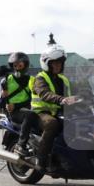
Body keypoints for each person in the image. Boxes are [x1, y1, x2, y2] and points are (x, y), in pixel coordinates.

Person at [30, 44, 78, 172]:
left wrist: (87, 94)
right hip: (41, 113)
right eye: (54, 63)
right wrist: (61, 99)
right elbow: (45, 93)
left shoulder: (63, 79)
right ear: (47, 64)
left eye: (60, 63)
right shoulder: (40, 78)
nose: (58, 65)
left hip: (59, 111)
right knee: (52, 124)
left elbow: (76, 90)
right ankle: (41, 160)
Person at [0, 52, 35, 154]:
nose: (18, 68)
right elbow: (0, 104)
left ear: (25, 66)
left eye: (20, 65)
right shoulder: (5, 81)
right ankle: (21, 145)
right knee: (29, 114)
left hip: (27, 108)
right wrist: (3, 97)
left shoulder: (32, 80)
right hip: (14, 112)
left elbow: (34, 98)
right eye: (15, 66)